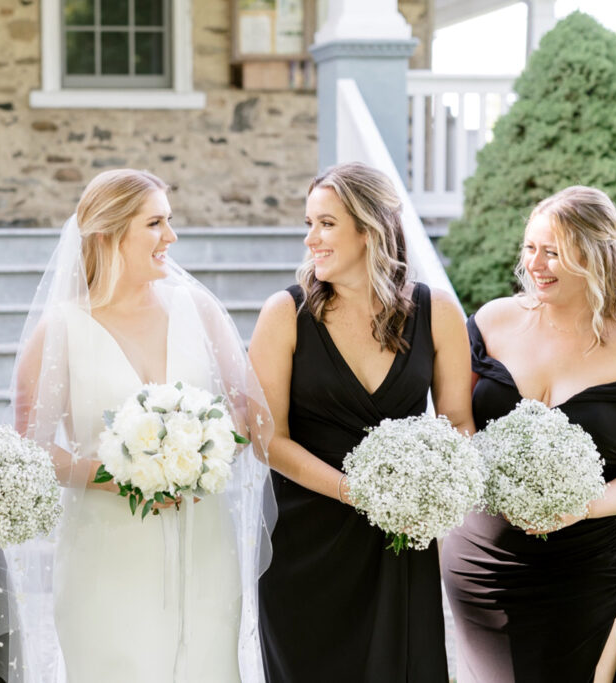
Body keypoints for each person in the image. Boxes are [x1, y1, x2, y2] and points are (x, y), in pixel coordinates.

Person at [0, 169, 275, 683]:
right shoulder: (60, 330)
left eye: (170, 221)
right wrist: (120, 474)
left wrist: (200, 451)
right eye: (156, 223)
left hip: (204, 546)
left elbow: (245, 414)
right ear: (109, 233)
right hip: (106, 553)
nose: (172, 237)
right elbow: (33, 451)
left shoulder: (199, 309)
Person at [249, 161, 474, 682]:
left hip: (398, 543)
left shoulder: (436, 312)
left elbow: (459, 422)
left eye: (325, 223)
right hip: (304, 542)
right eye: (309, 223)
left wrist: (433, 488)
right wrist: (361, 492)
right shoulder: (285, 314)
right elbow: (268, 439)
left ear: (369, 228)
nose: (311, 239)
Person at [441, 186, 616, 683]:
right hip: (482, 569)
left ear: (594, 257)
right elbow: (455, 423)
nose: (536, 263)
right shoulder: (491, 322)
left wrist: (583, 503)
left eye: (553, 252)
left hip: (587, 571)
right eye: (530, 248)